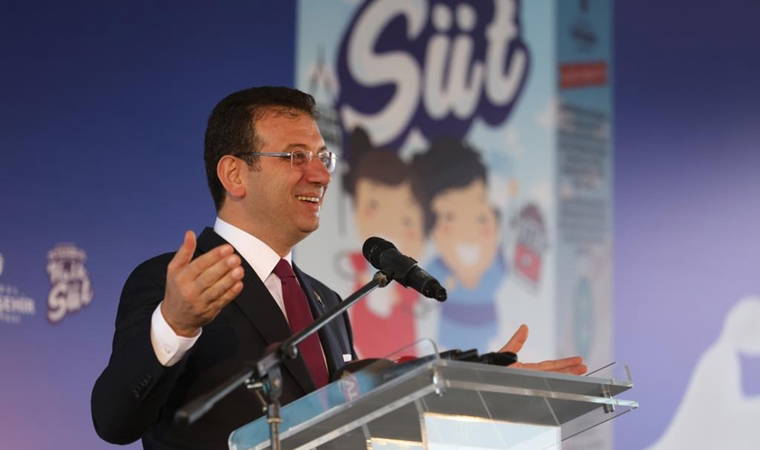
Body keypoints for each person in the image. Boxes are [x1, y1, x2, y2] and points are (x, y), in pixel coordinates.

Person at [91, 86, 586, 450]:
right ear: (235, 174)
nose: (321, 175)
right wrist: (175, 324)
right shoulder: (171, 282)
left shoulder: (326, 301)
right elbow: (114, 421)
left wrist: (481, 382)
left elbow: (353, 415)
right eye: (295, 156)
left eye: (322, 156)